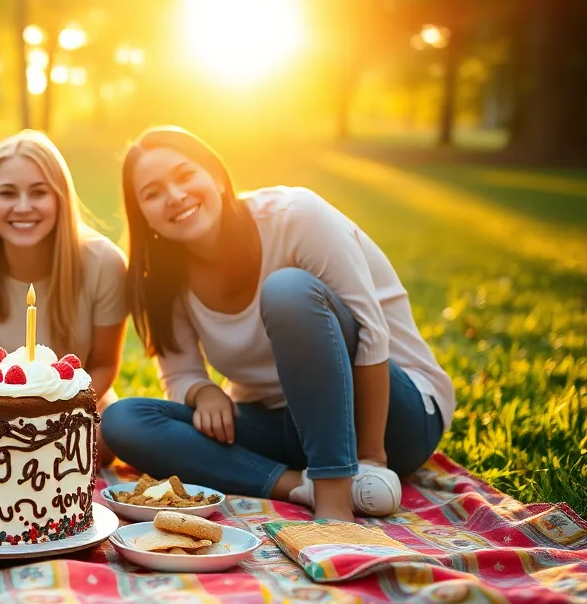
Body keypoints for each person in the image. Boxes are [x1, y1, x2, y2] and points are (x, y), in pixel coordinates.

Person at [100, 126, 453, 521]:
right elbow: (179, 372)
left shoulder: (296, 217)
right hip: (283, 429)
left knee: (287, 290)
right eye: (152, 193)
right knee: (123, 419)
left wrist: (371, 461)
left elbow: (372, 332)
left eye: (185, 176)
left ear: (216, 176)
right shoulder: (162, 280)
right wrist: (203, 392)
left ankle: (335, 500)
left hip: (390, 416)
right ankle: (299, 486)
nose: (175, 196)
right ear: (142, 214)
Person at [0, 130, 127, 460]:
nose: (23, 207)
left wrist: (53, 423)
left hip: (79, 407)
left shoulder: (105, 263)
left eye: (39, 192)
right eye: (8, 193)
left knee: (104, 440)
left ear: (60, 199)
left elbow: (104, 365)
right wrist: (12, 429)